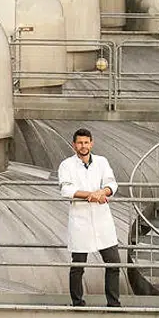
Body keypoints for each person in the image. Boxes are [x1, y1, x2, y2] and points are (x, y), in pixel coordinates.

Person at [57, 127, 122, 307]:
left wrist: (102, 192)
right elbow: (66, 190)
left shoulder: (102, 162)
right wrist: (90, 195)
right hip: (81, 221)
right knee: (78, 266)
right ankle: (77, 303)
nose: (83, 146)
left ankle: (113, 303)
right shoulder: (66, 165)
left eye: (86, 142)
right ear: (74, 145)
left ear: (91, 143)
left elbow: (111, 183)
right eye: (80, 143)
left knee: (113, 263)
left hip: (102, 220)